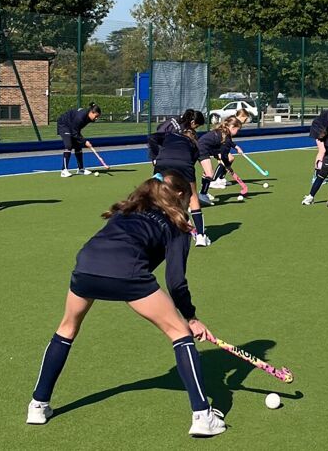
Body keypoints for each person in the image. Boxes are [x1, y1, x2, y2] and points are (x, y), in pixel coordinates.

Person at [25, 171, 226, 437]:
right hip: (127, 273)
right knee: (180, 334)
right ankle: (203, 416)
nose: (189, 203)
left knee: (67, 328)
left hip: (86, 266)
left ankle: (38, 405)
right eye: (188, 197)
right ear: (179, 195)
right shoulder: (177, 222)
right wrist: (191, 317)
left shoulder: (129, 209)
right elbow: (176, 281)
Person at [153, 112, 211, 247]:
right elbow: (191, 162)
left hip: (162, 162)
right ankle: (201, 236)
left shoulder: (170, 135)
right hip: (183, 164)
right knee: (193, 197)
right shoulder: (194, 144)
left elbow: (155, 137)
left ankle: (156, 231)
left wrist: (155, 157)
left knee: (158, 195)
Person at [196, 117, 241, 205]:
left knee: (208, 172)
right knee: (209, 173)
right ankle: (202, 195)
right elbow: (224, 157)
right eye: (237, 130)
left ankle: (203, 192)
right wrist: (228, 166)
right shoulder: (226, 137)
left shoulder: (223, 131)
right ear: (232, 127)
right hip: (203, 148)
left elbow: (228, 144)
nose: (237, 132)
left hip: (208, 147)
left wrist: (236, 147)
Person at [57, 103, 102, 177]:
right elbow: (74, 132)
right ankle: (64, 171)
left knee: (78, 145)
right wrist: (85, 141)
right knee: (69, 145)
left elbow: (76, 130)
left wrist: (82, 141)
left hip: (73, 126)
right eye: (96, 116)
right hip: (64, 124)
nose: (96, 118)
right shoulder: (80, 117)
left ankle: (81, 169)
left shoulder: (89, 117)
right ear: (91, 112)